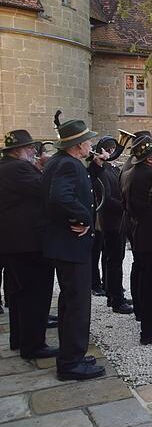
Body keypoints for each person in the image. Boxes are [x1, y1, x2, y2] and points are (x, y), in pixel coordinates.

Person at [42, 119, 107, 380]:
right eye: (88, 140)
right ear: (78, 145)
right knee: (77, 304)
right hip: (71, 245)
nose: (91, 144)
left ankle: (71, 354)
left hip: (64, 244)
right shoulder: (68, 165)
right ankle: (71, 363)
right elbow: (61, 198)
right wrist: (83, 219)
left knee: (70, 302)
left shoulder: (60, 162)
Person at [0, 130, 57, 359]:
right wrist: (45, 167)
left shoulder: (6, 167)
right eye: (30, 148)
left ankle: (20, 339)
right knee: (35, 295)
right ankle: (34, 345)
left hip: (12, 243)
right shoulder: (18, 168)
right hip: (27, 243)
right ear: (17, 151)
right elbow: (45, 189)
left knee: (17, 294)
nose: (34, 152)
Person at [121, 137, 152, 345]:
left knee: (149, 281)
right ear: (150, 159)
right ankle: (150, 331)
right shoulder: (149, 175)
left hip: (141, 233)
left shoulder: (131, 173)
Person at [89, 137, 133, 314]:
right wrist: (126, 205)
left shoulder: (111, 168)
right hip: (111, 221)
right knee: (114, 260)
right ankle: (116, 299)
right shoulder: (101, 171)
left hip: (118, 220)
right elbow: (106, 198)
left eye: (113, 148)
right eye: (108, 149)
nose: (112, 152)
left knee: (116, 259)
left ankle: (114, 292)